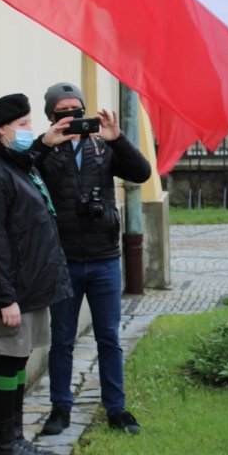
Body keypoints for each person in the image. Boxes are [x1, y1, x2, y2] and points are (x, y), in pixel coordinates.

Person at [31, 82, 152, 436]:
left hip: (103, 258)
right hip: (64, 259)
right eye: (63, 113)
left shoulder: (103, 146)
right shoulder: (45, 150)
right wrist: (44, 145)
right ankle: (60, 408)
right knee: (62, 339)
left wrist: (118, 139)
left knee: (109, 337)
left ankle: (116, 408)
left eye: (77, 111)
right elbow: (19, 172)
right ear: (51, 116)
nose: (72, 118)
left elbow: (142, 172)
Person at [0, 93, 72, 455]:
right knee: (8, 363)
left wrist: (44, 144)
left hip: (27, 288)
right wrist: (4, 298)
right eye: (23, 124)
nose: (29, 129)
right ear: (2, 130)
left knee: (18, 360)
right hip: (12, 293)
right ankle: (6, 444)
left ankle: (15, 439)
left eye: (29, 122)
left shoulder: (15, 164)